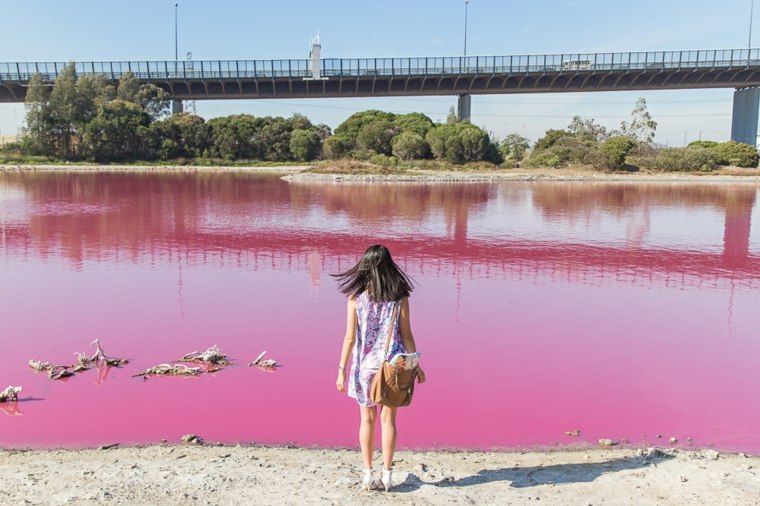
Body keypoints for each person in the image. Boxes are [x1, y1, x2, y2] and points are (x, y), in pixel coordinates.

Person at [334, 244, 426, 492]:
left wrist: (341, 370)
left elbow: (349, 338)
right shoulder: (400, 297)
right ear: (389, 265)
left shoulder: (355, 298)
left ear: (365, 266)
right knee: (389, 420)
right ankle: (387, 475)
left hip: (365, 368)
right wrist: (416, 366)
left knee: (367, 419)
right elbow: (407, 336)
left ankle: (367, 473)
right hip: (392, 368)